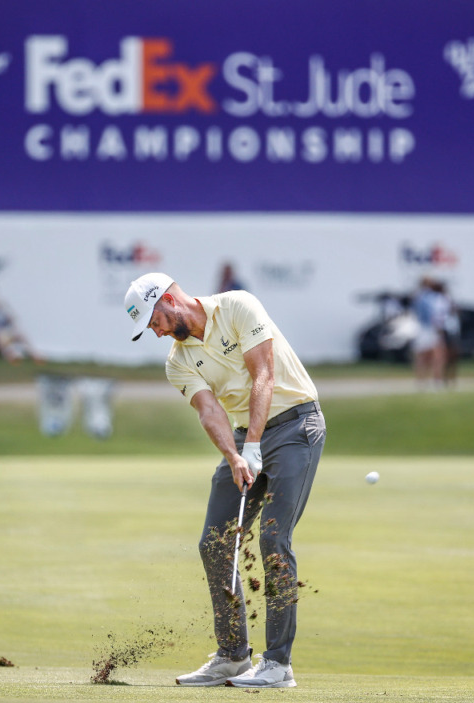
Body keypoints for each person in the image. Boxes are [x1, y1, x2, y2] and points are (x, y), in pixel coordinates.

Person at [123, 272, 325, 689]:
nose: (157, 332)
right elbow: (208, 411)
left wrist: (252, 445)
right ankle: (233, 656)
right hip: (243, 439)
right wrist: (236, 455)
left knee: (273, 538)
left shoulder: (237, 306)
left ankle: (278, 665)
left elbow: (264, 374)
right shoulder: (177, 361)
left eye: (154, 321)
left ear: (168, 301)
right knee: (216, 542)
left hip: (295, 427)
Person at [0, 296, 42, 363]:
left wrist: (3, 306)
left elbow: (12, 320)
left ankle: (34, 354)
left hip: (2, 337)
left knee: (20, 335)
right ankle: (10, 355)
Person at [411, 277, 447, 389]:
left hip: (421, 328)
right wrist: (438, 327)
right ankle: (437, 381)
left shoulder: (417, 296)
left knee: (421, 356)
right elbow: (434, 313)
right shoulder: (432, 297)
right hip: (430, 328)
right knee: (437, 356)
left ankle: (421, 381)